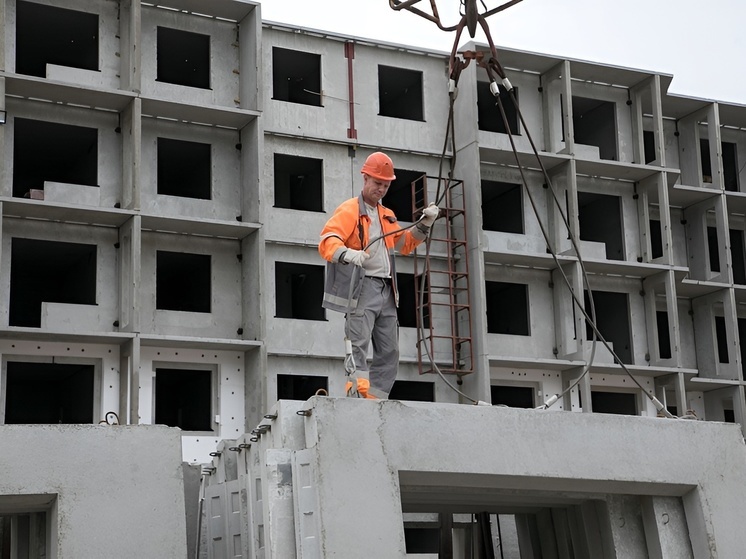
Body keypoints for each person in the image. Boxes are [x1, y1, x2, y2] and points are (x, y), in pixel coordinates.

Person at [319, 152, 439, 399]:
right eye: (377, 183)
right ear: (365, 178)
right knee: (358, 344)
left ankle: (376, 400)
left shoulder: (386, 215)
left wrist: (425, 224)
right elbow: (327, 240)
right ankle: (357, 396)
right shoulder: (350, 209)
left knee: (389, 350)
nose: (381, 189)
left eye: (386, 185)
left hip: (386, 290)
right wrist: (347, 254)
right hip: (363, 287)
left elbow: (405, 243)